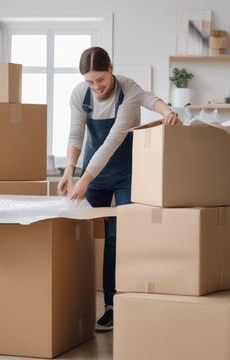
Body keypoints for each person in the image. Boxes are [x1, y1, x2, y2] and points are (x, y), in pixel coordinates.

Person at [57, 47, 180, 332]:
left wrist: (167, 111)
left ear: (111, 68)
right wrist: (69, 170)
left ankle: (113, 305)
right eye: (89, 81)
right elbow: (76, 133)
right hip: (93, 172)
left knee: (118, 237)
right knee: (78, 233)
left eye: (100, 79)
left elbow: (112, 142)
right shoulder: (80, 94)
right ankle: (71, 302)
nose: (96, 87)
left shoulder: (128, 91)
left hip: (125, 174)